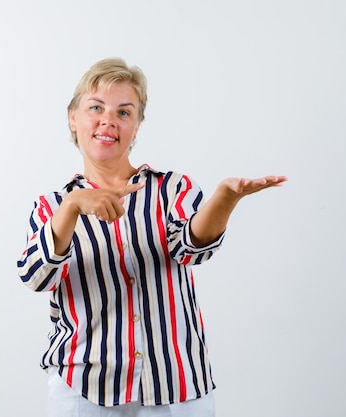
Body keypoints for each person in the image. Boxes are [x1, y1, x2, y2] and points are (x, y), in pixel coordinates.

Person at [16, 58, 286, 417]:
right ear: (73, 118)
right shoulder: (51, 206)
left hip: (175, 384)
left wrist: (225, 198)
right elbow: (37, 276)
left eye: (124, 112)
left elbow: (191, 248)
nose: (108, 120)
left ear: (137, 126)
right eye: (95, 107)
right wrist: (72, 207)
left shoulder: (172, 188)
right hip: (85, 385)